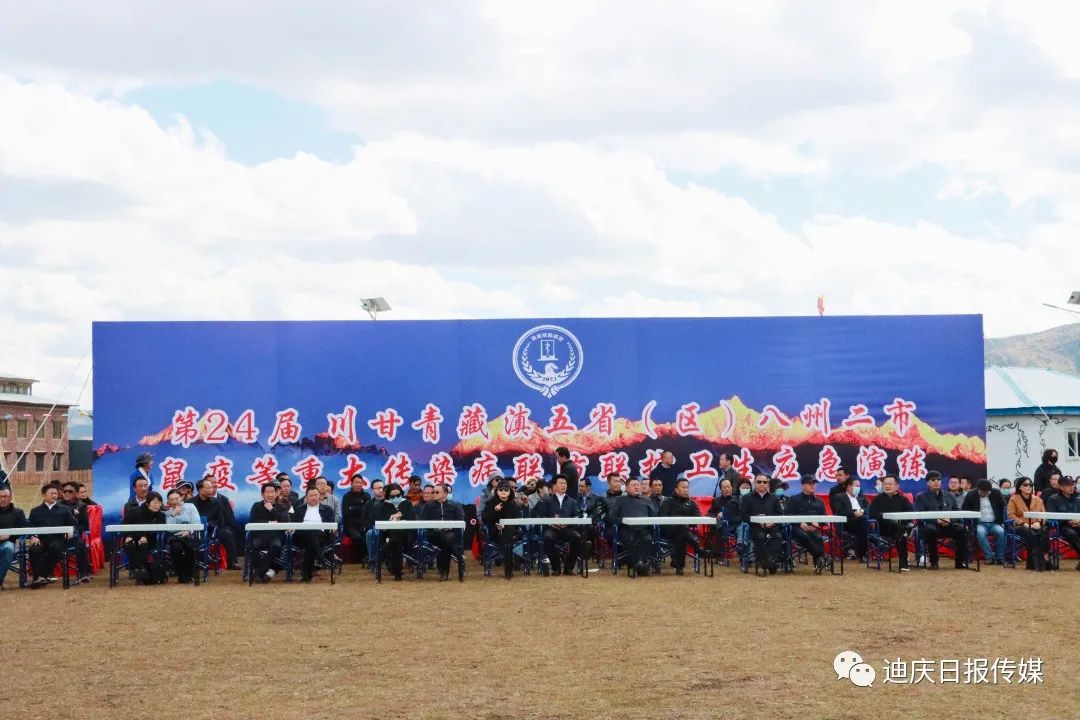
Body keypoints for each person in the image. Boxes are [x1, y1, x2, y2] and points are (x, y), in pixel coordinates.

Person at [914, 471, 969, 570]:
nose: (936, 481)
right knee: (930, 530)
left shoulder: (950, 495)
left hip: (948, 525)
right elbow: (920, 515)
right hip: (931, 526)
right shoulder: (921, 497)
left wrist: (949, 519)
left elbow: (957, 512)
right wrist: (936, 520)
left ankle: (960, 562)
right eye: (933, 480)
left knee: (962, 529)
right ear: (928, 483)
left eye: (938, 479)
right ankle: (934, 562)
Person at [26, 484, 79, 588]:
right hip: (41, 539)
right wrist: (33, 536)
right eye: (52, 493)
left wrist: (70, 531)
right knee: (34, 549)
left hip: (59, 539)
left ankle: (41, 576)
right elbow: (30, 526)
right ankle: (40, 577)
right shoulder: (35, 511)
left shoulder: (65, 509)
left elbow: (73, 524)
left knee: (55, 547)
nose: (54, 496)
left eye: (56, 493)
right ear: (43, 495)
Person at [534, 475, 585, 575]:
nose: (564, 485)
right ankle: (556, 568)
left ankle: (568, 568)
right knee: (548, 538)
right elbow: (539, 515)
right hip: (552, 528)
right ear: (554, 486)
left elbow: (578, 515)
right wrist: (550, 522)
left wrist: (569, 522)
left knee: (577, 538)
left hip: (567, 528)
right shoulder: (546, 500)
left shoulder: (572, 501)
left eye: (565, 483)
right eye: (561, 483)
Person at [607, 477, 656, 576]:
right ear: (626, 488)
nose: (637, 487)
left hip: (643, 529)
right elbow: (611, 517)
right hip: (626, 529)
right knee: (629, 540)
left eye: (638, 485)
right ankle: (640, 564)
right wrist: (623, 521)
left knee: (647, 539)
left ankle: (640, 563)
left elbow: (654, 516)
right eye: (634, 485)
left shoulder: (647, 500)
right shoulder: (620, 500)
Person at [188, 477, 239, 570]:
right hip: (194, 530)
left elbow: (220, 521)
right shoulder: (189, 503)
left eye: (212, 487)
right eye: (208, 488)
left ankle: (231, 562)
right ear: (200, 490)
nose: (211, 490)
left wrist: (209, 524)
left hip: (212, 529)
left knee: (228, 533)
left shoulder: (217, 502)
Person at [418, 484, 465, 580]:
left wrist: (450, 526)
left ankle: (444, 573)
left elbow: (461, 520)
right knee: (446, 539)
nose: (434, 494)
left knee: (446, 542)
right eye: (433, 492)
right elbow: (423, 521)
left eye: (437, 492)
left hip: (451, 533)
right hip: (434, 534)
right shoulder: (429, 505)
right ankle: (459, 557)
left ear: (445, 494)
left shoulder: (455, 505)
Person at [868, 475, 914, 571]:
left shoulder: (903, 499)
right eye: (885, 484)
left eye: (890, 484)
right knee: (901, 532)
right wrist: (885, 516)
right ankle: (904, 563)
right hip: (883, 528)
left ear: (897, 486)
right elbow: (872, 514)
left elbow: (910, 514)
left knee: (901, 530)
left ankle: (904, 563)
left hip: (899, 527)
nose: (887, 486)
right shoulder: (877, 499)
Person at [122, 491, 167, 584]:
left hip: (150, 541)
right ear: (147, 503)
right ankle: (139, 570)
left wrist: (145, 536)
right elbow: (124, 526)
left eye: (159, 503)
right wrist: (128, 536)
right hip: (132, 538)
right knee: (131, 545)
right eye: (154, 503)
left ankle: (141, 571)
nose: (157, 505)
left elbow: (159, 530)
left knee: (143, 545)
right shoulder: (135, 512)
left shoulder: (161, 515)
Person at [741, 474, 783, 574]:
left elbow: (780, 514)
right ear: (754, 483)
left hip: (772, 527)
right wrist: (758, 522)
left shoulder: (774, 498)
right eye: (759, 482)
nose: (762, 484)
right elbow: (744, 516)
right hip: (755, 527)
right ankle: (770, 564)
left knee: (778, 537)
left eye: (765, 482)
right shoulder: (747, 498)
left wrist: (772, 522)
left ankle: (767, 563)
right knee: (760, 537)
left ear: (768, 484)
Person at [248, 483, 290, 582]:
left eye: (272, 492)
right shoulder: (256, 506)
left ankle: (259, 573)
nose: (270, 494)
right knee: (254, 545)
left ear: (276, 494)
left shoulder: (281, 507)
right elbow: (252, 521)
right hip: (260, 535)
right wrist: (270, 522)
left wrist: (271, 509)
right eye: (267, 492)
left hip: (276, 536)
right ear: (262, 494)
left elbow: (285, 521)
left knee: (276, 546)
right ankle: (271, 571)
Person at [294, 486, 335, 582]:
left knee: (311, 543)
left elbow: (332, 525)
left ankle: (306, 575)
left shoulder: (327, 509)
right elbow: (295, 525)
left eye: (315, 495)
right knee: (309, 534)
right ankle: (320, 557)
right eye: (311, 495)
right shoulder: (299, 509)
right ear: (306, 497)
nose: (313, 497)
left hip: (321, 536)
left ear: (319, 496)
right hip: (302, 536)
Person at [659, 478, 701, 575]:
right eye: (683, 487)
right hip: (668, 531)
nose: (686, 489)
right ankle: (697, 547)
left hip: (683, 532)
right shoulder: (668, 501)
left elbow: (698, 519)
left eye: (687, 487)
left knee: (681, 534)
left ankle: (678, 565)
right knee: (682, 529)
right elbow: (662, 517)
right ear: (676, 490)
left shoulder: (692, 503)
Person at [787, 475, 828, 573]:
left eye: (814, 483)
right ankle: (822, 557)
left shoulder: (819, 502)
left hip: (814, 527)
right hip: (798, 527)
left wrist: (817, 524)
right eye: (810, 483)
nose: (813, 485)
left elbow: (824, 518)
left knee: (818, 538)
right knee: (803, 536)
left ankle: (817, 564)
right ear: (803, 486)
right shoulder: (794, 499)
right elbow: (788, 514)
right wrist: (800, 523)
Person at [481, 480, 521, 580]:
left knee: (508, 535)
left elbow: (518, 521)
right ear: (497, 491)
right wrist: (494, 510)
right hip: (496, 532)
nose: (503, 491)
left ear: (510, 492)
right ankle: (509, 569)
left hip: (511, 532)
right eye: (501, 489)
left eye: (506, 490)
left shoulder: (513, 503)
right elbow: (484, 519)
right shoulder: (491, 502)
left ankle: (508, 569)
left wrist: (508, 526)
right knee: (507, 542)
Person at [961, 479, 1006, 565]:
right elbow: (965, 509)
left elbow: (1002, 507)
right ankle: (989, 557)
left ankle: (1000, 557)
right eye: (982, 492)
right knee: (981, 533)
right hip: (979, 523)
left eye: (987, 492)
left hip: (994, 523)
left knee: (1001, 532)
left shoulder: (996, 493)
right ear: (978, 489)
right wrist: (966, 524)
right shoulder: (971, 494)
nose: (985, 494)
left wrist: (1002, 522)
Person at [376, 483, 415, 581]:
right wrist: (391, 518)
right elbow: (379, 521)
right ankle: (398, 573)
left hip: (406, 535)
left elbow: (412, 519)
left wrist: (401, 519)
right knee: (395, 541)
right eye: (392, 496)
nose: (396, 498)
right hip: (387, 535)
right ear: (388, 496)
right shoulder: (383, 505)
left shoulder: (407, 504)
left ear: (401, 494)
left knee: (395, 538)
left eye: (398, 495)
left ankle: (385, 554)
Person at [1008, 477, 1048, 571]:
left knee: (1043, 530)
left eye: (1030, 485)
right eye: (1025, 485)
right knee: (1030, 532)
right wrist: (1024, 523)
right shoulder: (1013, 499)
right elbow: (1011, 515)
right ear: (1020, 487)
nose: (1029, 487)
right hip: (1020, 526)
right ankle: (1038, 561)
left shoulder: (1038, 500)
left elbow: (1043, 514)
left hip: (1035, 524)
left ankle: (1035, 561)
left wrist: (1039, 522)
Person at [163, 489, 200, 583]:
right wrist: (173, 514)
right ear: (168, 501)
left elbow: (196, 522)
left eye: (176, 498)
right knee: (177, 549)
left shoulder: (190, 506)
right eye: (171, 500)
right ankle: (181, 574)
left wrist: (188, 530)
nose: (174, 501)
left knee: (191, 548)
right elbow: (169, 529)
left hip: (190, 535)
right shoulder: (167, 512)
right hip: (175, 536)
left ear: (181, 498)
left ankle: (190, 574)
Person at [1045, 475, 1080, 569]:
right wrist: (1069, 521)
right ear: (1061, 487)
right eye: (1068, 485)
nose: (1071, 487)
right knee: (1071, 534)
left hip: (1078, 524)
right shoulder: (1053, 499)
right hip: (1062, 526)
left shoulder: (1078, 499)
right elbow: (1050, 516)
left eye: (1072, 485)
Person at [831, 477, 867, 562]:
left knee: (864, 522)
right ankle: (862, 554)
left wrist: (861, 511)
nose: (858, 488)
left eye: (859, 486)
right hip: (847, 523)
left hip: (862, 522)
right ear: (848, 487)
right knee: (863, 522)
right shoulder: (839, 497)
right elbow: (839, 511)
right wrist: (854, 513)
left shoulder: (861, 497)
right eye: (856, 486)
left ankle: (861, 554)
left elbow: (868, 508)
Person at [0, 487, 27, 590]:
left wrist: (10, 535)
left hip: (8, 544)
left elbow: (24, 529)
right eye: (0, 497)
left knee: (8, 548)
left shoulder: (18, 513)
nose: (2, 499)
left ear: (10, 498)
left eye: (5, 496)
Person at [341, 474, 371, 563]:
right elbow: (346, 512)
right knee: (357, 537)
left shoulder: (367, 495)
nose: (358, 484)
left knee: (368, 535)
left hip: (363, 522)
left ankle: (368, 558)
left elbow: (367, 511)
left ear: (362, 484)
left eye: (360, 483)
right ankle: (358, 560)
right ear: (351, 484)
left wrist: (353, 508)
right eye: (356, 482)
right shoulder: (346, 496)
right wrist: (360, 508)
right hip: (350, 524)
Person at [363, 479, 386, 565]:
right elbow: (365, 519)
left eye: (382, 487)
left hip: (387, 528)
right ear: (373, 490)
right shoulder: (368, 504)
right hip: (374, 529)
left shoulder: (389, 502)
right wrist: (373, 527)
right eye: (378, 488)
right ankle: (372, 559)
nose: (381, 490)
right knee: (370, 533)